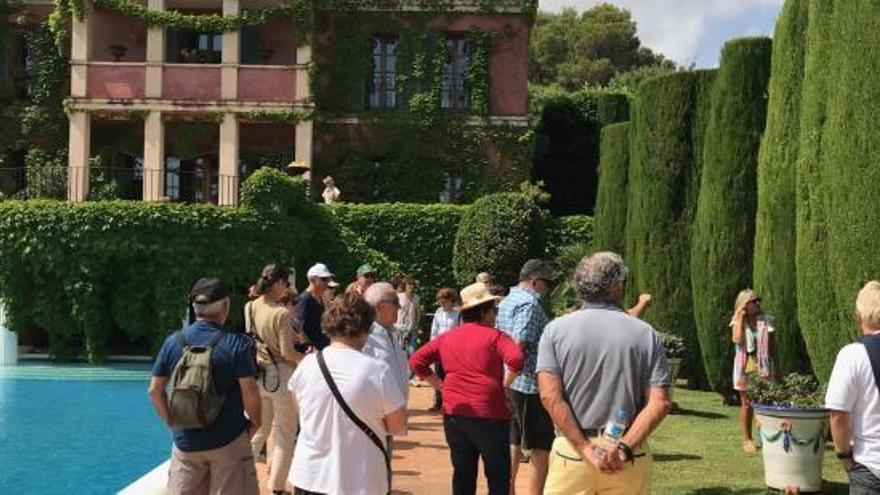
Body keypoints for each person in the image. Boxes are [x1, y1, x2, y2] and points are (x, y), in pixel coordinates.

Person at [536, 252, 671, 495]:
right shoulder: (645, 334)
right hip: (628, 455)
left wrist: (586, 449)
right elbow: (659, 402)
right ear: (616, 286)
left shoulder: (554, 331)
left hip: (572, 453)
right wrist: (623, 449)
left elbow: (549, 396)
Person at [148, 278, 261, 495]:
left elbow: (154, 390)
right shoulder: (235, 344)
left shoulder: (173, 342)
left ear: (194, 307)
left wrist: (171, 422)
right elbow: (250, 390)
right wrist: (255, 423)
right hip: (229, 441)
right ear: (225, 306)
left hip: (186, 443)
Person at [410, 282, 525, 495]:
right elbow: (517, 358)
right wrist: (504, 383)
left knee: (463, 475)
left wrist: (441, 386)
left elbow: (417, 360)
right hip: (490, 414)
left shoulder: (448, 337)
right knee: (499, 476)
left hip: (455, 413)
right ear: (484, 311)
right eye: (493, 309)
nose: (495, 314)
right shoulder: (497, 336)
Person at [288, 292, 407, 494]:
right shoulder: (377, 371)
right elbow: (397, 424)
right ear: (366, 327)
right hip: (361, 479)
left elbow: (299, 408)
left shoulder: (306, 365)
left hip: (309, 476)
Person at [496, 259, 555, 495]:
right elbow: (519, 345)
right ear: (535, 280)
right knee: (541, 444)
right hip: (528, 383)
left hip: (511, 380)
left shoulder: (508, 300)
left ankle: (508, 490)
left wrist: (504, 381)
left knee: (514, 439)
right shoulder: (530, 303)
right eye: (548, 283)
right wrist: (508, 380)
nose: (549, 288)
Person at [245, 264, 304, 495]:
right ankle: (277, 487)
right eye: (286, 284)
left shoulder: (250, 307)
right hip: (281, 375)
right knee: (285, 434)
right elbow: (287, 353)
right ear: (278, 283)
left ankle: (243, 478)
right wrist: (306, 358)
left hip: (258, 374)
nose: (287, 288)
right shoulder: (280, 313)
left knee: (259, 429)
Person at [827, 281, 880, 493]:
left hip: (871, 466)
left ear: (859, 316)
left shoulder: (852, 355)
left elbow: (838, 414)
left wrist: (844, 455)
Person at [363, 282, 411, 453]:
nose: (399, 309)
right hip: (374, 421)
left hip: (388, 419)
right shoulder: (365, 336)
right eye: (395, 303)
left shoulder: (389, 332)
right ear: (379, 307)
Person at [730, 288, 775, 453]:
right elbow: (736, 340)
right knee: (746, 403)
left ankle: (766, 437)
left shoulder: (765, 320)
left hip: (763, 363)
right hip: (744, 364)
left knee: (766, 402)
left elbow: (772, 346)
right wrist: (740, 318)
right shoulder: (737, 321)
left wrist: (776, 365)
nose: (757, 304)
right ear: (744, 304)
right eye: (753, 301)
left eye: (758, 301)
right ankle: (747, 439)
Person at [428, 287, 461, 411]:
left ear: (451, 300)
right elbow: (434, 330)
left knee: (451, 376)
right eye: (440, 300)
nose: (442, 303)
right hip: (439, 349)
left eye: (444, 300)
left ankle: (451, 402)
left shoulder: (458, 314)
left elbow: (461, 330)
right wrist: (432, 348)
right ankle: (438, 402)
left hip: (453, 350)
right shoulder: (438, 312)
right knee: (438, 375)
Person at [297, 263, 335, 351]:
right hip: (312, 351)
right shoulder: (304, 299)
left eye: (328, 279)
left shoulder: (320, 298)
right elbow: (298, 328)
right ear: (312, 280)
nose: (328, 282)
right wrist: (309, 347)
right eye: (324, 279)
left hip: (323, 348)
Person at [395, 277, 422, 358]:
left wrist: (416, 325)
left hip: (412, 329)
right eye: (409, 284)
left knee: (412, 352)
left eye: (413, 284)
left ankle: (410, 370)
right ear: (405, 285)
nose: (411, 286)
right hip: (399, 329)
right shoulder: (399, 297)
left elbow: (418, 313)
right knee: (400, 352)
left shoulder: (416, 298)